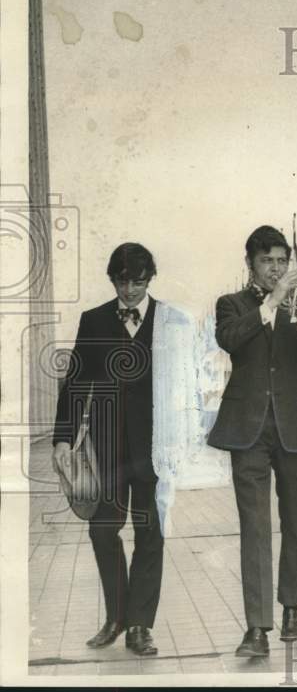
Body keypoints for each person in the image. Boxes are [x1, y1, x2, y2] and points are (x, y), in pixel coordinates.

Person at [208, 225, 297, 658]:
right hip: (249, 429)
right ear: (251, 264)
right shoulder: (232, 305)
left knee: (296, 521)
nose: (276, 268)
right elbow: (230, 339)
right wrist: (274, 300)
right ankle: (257, 628)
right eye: (267, 261)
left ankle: (291, 608)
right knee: (256, 528)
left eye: (282, 261)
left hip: (296, 428)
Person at [51, 243, 167, 657]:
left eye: (138, 281)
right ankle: (117, 616)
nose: (131, 289)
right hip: (107, 449)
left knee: (150, 534)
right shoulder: (95, 319)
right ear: (113, 280)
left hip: (156, 449)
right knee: (103, 530)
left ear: (150, 278)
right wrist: (63, 437)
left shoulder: (169, 321)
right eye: (123, 281)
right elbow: (76, 383)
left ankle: (139, 626)